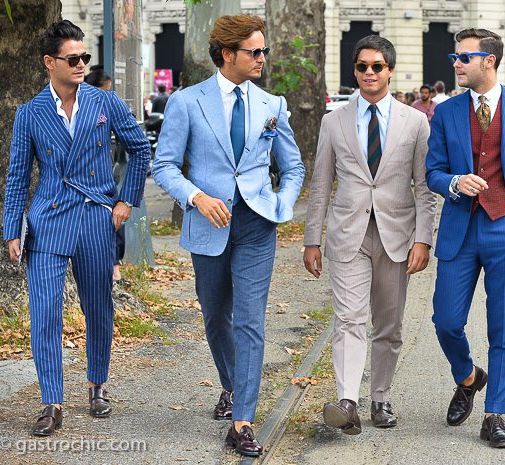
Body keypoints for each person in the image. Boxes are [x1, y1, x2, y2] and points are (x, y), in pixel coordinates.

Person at [151, 14, 304, 457]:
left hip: (258, 225)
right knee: (217, 316)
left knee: (252, 322)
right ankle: (231, 385)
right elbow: (163, 167)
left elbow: (292, 166)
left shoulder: (272, 104)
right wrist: (197, 197)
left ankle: (243, 420)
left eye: (263, 51)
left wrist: (282, 204)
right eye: (253, 51)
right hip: (209, 223)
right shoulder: (185, 102)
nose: (261, 58)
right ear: (226, 54)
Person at [3, 20, 150, 436]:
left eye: (85, 57)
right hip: (48, 220)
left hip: (94, 218)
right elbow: (17, 177)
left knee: (98, 308)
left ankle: (97, 385)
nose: (82, 63)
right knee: (44, 313)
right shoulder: (30, 113)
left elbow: (140, 149)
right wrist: (12, 230)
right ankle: (51, 401)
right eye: (73, 58)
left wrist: (125, 203)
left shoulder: (105, 102)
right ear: (50, 63)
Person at [425, 28, 505, 448]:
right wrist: (455, 182)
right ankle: (468, 376)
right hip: (461, 229)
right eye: (455, 58)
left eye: (464, 58)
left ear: (489, 61)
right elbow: (433, 173)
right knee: (446, 320)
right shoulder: (445, 113)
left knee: (504, 329)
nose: (456, 64)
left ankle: (494, 413)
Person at [303, 35, 437, 436]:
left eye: (377, 66)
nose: (368, 73)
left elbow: (425, 187)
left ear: (390, 71)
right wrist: (312, 238)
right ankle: (348, 401)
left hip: (398, 236)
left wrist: (424, 239)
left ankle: (380, 397)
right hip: (349, 235)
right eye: (362, 66)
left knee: (389, 325)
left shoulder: (415, 121)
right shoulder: (334, 120)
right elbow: (321, 183)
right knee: (348, 318)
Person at [84, 69, 127, 282]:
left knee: (118, 221)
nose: (108, 97)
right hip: (90, 180)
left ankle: (116, 265)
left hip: (108, 176)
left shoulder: (109, 108)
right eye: (104, 92)